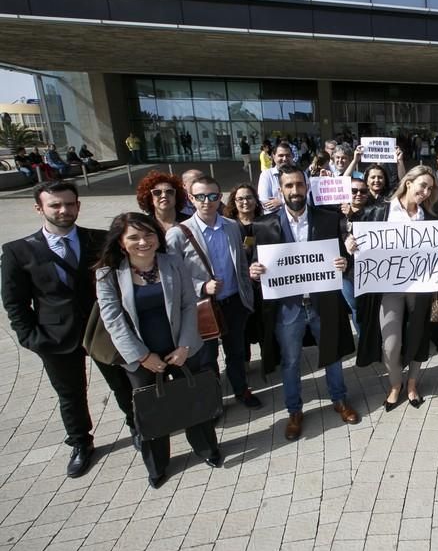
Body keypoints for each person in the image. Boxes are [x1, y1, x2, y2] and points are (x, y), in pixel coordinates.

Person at [2, 181, 138, 478]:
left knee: (122, 383)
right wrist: (30, 338)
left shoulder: (100, 240)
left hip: (103, 331)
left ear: (79, 205)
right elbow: (15, 302)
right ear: (39, 208)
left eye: (70, 204)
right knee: (70, 394)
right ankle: (80, 442)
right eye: (55, 205)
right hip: (55, 337)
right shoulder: (18, 252)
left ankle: (137, 426)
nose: (64, 210)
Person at [95, 213, 222, 488]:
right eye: (134, 237)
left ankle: (207, 449)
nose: (143, 242)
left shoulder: (172, 263)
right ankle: (157, 466)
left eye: (149, 235)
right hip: (141, 357)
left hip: (182, 348)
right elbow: (113, 320)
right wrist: (142, 356)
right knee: (150, 413)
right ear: (120, 242)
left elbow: (190, 304)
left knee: (194, 400)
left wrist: (185, 345)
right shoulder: (108, 275)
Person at [249, 166, 357, 439]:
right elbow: (255, 262)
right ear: (280, 190)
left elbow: (345, 256)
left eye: (299, 185)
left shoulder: (329, 219)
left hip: (323, 302)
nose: (294, 191)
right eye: (289, 186)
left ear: (307, 187)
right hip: (289, 307)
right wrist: (254, 270)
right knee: (291, 360)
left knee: (331, 354)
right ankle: (294, 410)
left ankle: (339, 400)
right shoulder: (264, 225)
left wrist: (344, 263)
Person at [348, 166, 438, 408]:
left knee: (418, 335)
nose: (426, 191)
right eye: (422, 185)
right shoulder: (379, 211)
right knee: (390, 344)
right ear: (408, 182)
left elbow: (436, 249)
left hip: (420, 286)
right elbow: (357, 238)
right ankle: (395, 383)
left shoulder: (429, 217)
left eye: (430, 188)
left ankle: (412, 384)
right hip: (388, 286)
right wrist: (350, 243)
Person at [166, 176, 262, 410]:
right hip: (202, 307)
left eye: (212, 196)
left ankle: (241, 389)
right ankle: (214, 400)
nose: (206, 201)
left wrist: (246, 289)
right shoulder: (178, 234)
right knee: (207, 358)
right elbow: (172, 278)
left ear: (220, 198)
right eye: (200, 197)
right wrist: (201, 286)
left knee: (236, 352)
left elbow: (239, 262)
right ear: (191, 199)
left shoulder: (231, 226)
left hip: (233, 302)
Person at [222, 183, 264, 368]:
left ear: (256, 201)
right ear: (234, 202)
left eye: (249, 198)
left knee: (263, 321)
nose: (245, 202)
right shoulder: (227, 226)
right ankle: (245, 362)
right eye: (240, 199)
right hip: (239, 284)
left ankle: (269, 358)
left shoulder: (265, 223)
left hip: (263, 283)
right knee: (241, 326)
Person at [338, 176, 370, 325]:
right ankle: (363, 342)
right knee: (355, 306)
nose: (358, 194)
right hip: (346, 272)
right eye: (354, 190)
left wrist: (353, 215)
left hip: (368, 271)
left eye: (363, 191)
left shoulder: (373, 213)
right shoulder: (337, 215)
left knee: (366, 308)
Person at [257, 142, 294, 214]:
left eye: (288, 155)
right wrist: (292, 202)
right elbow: (265, 203)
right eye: (281, 155)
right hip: (274, 219)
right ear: (273, 157)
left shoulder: (301, 174)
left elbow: (306, 199)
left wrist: (282, 201)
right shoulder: (266, 175)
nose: (285, 159)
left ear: (292, 156)